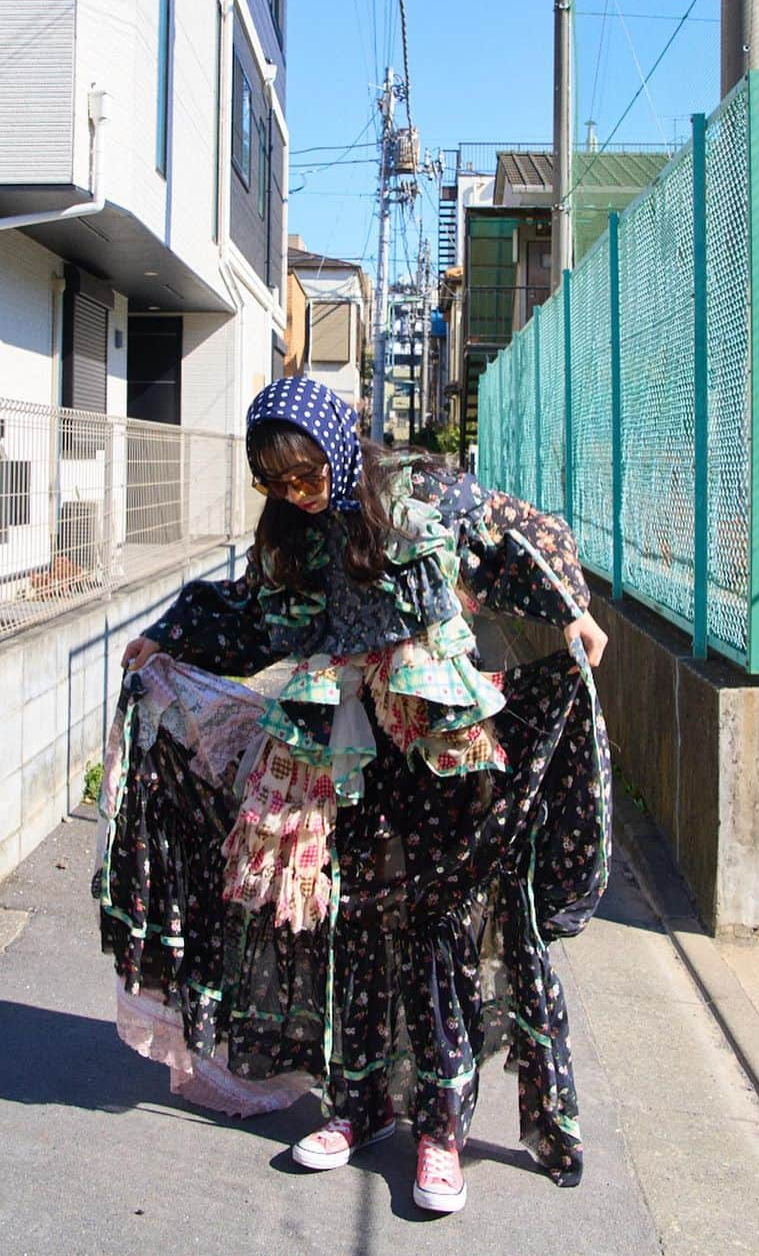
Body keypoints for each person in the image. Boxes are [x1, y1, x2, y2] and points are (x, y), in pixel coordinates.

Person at [100, 376, 611, 1215]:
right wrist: (173, 638)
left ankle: (441, 1131)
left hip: (443, 744)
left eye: (305, 474)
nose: (299, 494)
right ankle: (357, 1106)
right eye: (279, 483)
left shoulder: (420, 492)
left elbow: (512, 533)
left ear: (337, 444)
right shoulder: (299, 539)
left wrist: (570, 612)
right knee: (354, 917)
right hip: (349, 743)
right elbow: (257, 615)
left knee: (438, 921)